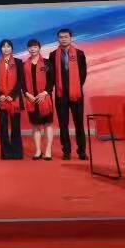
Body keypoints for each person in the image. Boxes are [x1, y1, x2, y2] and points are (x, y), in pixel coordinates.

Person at [49, 28, 88, 161]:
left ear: (71, 38)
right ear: (58, 39)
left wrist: (75, 87)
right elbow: (52, 75)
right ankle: (66, 151)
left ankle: (81, 151)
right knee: (63, 124)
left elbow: (83, 73)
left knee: (79, 124)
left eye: (66, 37)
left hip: (76, 94)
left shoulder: (79, 54)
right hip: (61, 94)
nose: (63, 39)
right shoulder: (53, 55)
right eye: (61, 37)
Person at [23, 39, 55, 160]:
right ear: (28, 49)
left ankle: (48, 150)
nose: (33, 49)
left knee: (48, 124)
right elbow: (22, 82)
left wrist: (45, 92)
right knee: (35, 126)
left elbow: (52, 80)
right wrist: (27, 94)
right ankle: (38, 151)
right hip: (31, 99)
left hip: (45, 98)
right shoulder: (24, 65)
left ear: (39, 48)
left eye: (35, 47)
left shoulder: (47, 63)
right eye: (30, 47)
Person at [0, 39, 24, 160]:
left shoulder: (18, 62)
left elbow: (21, 80)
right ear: (0, 49)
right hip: (1, 100)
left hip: (15, 99)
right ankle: (6, 153)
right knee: (3, 128)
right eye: (3, 46)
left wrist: (12, 95)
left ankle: (17, 152)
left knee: (15, 126)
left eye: (8, 46)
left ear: (12, 49)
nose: (6, 49)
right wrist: (0, 94)